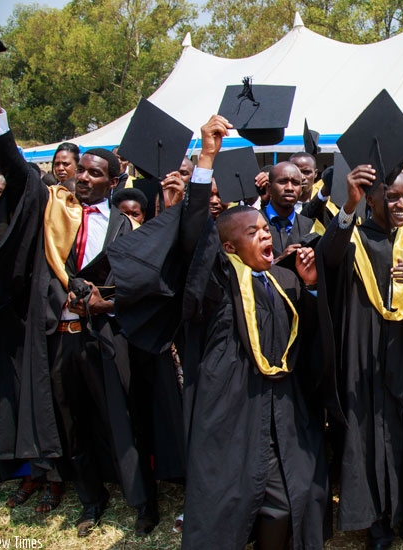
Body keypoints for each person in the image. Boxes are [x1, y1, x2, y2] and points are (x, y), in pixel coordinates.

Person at [108, 114, 329, 550]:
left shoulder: (283, 282)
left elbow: (312, 340)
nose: (266, 236)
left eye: (266, 230)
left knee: (287, 501)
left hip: (281, 409)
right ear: (228, 247)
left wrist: (312, 287)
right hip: (230, 410)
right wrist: (207, 156)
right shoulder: (216, 284)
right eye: (254, 233)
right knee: (227, 503)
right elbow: (195, 236)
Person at [0, 61, 148, 536]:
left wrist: (106, 303)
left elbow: (137, 283)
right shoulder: (50, 207)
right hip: (58, 337)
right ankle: (90, 500)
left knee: (122, 420)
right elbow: (12, 163)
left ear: (113, 181)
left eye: (94, 172)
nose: (83, 177)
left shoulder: (126, 226)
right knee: (72, 425)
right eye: (80, 170)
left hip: (108, 337)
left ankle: (140, 500)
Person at [316, 164, 403, 549]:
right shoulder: (352, 238)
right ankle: (377, 524)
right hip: (364, 349)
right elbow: (328, 260)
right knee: (371, 433)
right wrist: (348, 207)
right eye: (393, 197)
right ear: (371, 199)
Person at [264, 161, 317, 260]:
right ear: (269, 188)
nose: (289, 188)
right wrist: (278, 262)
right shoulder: (254, 222)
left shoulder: (309, 225)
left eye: (295, 183)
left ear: (301, 190)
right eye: (282, 182)